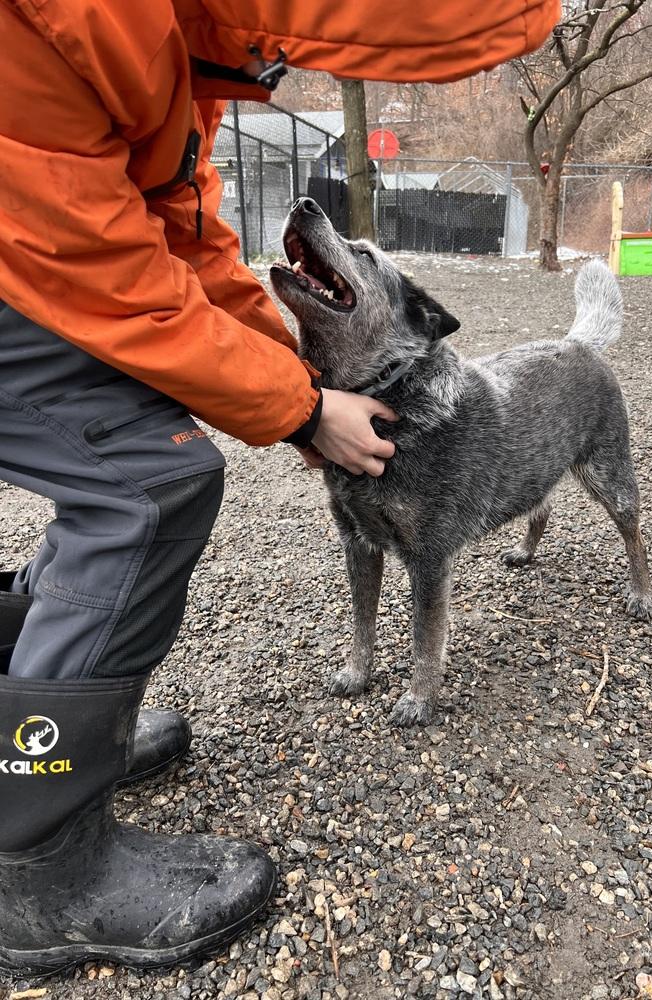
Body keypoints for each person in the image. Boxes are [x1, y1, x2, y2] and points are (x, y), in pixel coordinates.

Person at [0, 0, 560, 974]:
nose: (281, 63)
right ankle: (35, 867)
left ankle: (36, 740)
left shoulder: (168, 38)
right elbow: (108, 271)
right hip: (32, 248)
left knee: (125, 452)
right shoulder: (79, 23)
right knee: (149, 480)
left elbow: (181, 237)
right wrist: (301, 409)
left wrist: (297, 393)